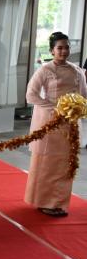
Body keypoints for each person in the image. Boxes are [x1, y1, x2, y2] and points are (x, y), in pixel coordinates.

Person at [25, 32, 87, 217]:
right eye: (59, 48)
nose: (64, 51)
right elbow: (31, 95)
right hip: (50, 123)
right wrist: (56, 108)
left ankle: (59, 203)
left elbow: (84, 95)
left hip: (70, 124)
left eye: (66, 47)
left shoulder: (77, 71)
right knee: (48, 163)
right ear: (52, 50)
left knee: (65, 163)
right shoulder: (45, 70)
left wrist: (77, 108)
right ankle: (44, 201)